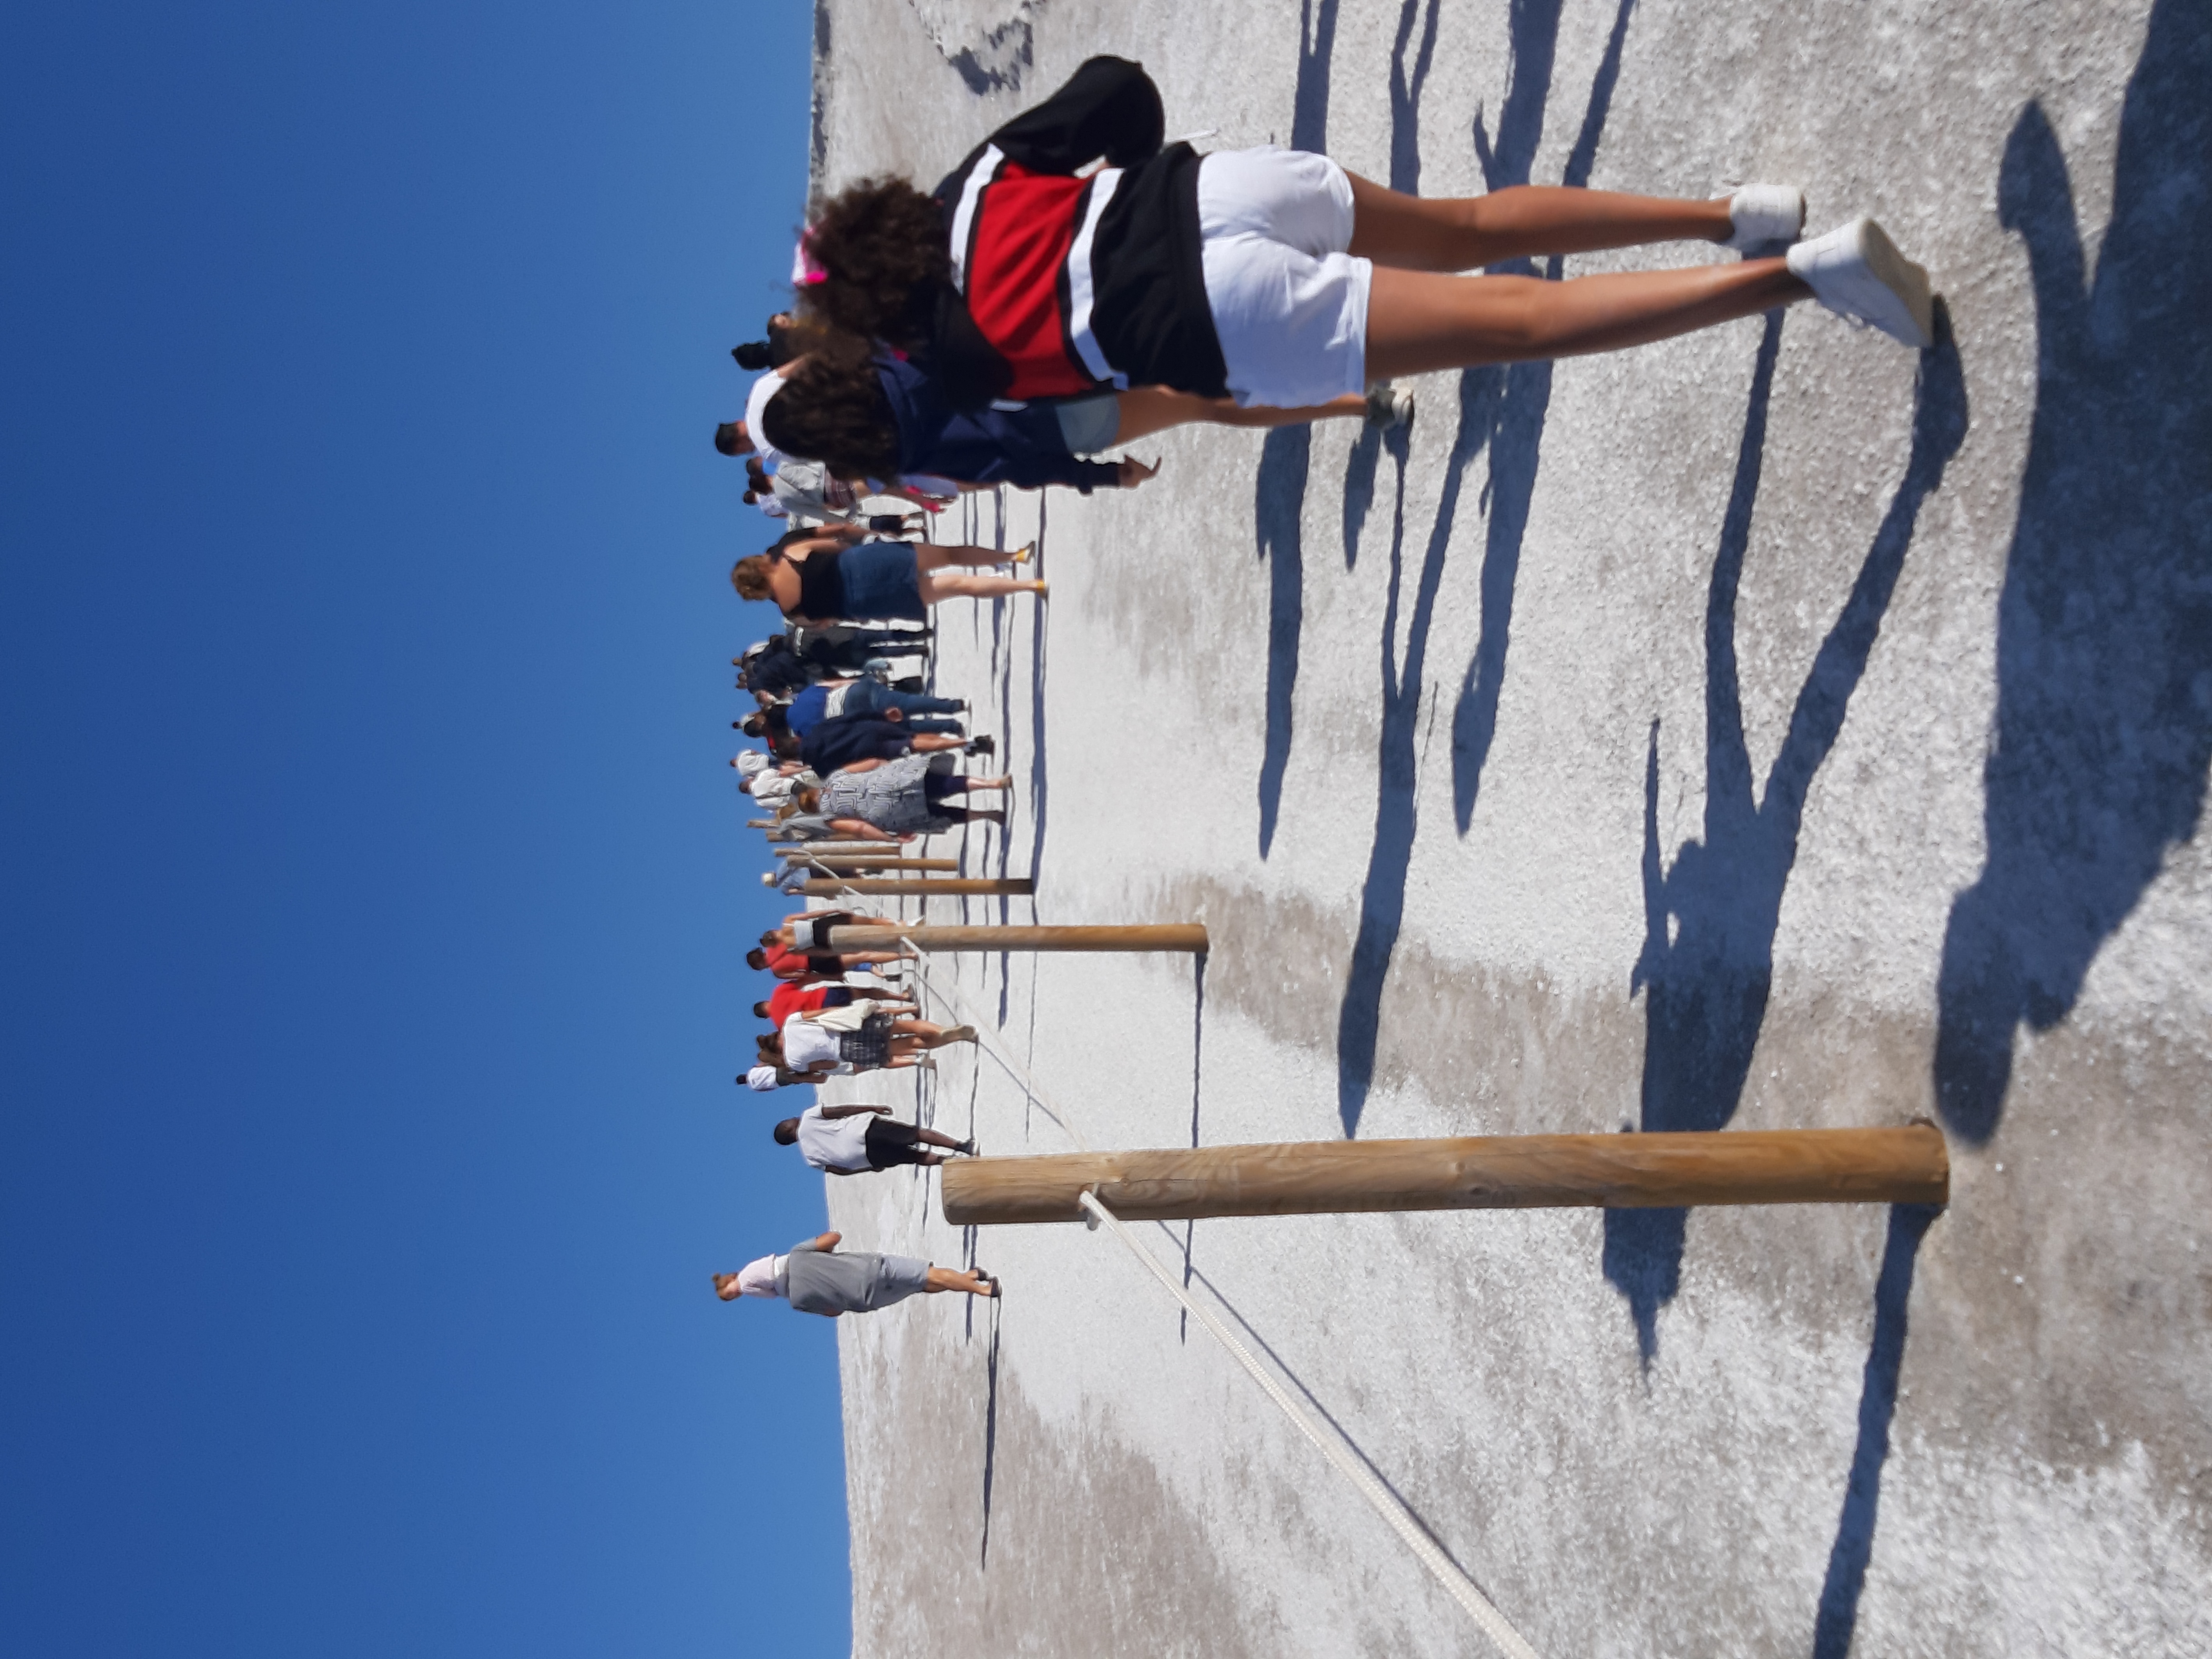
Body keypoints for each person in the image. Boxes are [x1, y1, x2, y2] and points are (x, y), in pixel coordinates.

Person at [768, 56, 1932, 478]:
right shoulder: (970, 181)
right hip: (1208, 192)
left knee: (1520, 328)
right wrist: (1118, 186)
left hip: (1218, 319)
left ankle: (1801, 278)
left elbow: (1088, 396)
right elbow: (1119, 87)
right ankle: (1732, 213)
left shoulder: (956, 365)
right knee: (1472, 225)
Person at [731, 523, 1042, 623]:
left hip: (865, 602)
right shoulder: (788, 553)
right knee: (949, 555)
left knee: (956, 586)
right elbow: (835, 543)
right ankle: (1013, 556)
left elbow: (827, 624)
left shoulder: (791, 612)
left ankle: (1029, 586)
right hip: (863, 565)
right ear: (758, 566)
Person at [714, 1232, 997, 1316]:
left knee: (921, 1285)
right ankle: (981, 1289)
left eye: (732, 1292)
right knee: (927, 1274)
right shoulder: (798, 1254)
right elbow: (834, 1237)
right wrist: (826, 1259)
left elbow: (833, 1312)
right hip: (870, 1267)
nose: (737, 1292)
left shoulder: (796, 1301)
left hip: (865, 1299)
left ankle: (970, 1277)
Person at [796, 755, 1011, 840]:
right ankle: (992, 784)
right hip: (890, 782)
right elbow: (872, 764)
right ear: (813, 791)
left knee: (940, 814)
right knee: (945, 785)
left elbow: (859, 828)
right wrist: (894, 767)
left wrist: (891, 839)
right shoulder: (835, 777)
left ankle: (988, 815)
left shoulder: (829, 816)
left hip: (887, 812)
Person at [774, 1102, 977, 1173]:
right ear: (789, 1128)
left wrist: (869, 1167)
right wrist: (872, 1108)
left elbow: (840, 1171)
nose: (793, 1119)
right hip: (863, 1131)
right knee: (916, 1134)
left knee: (913, 1157)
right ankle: (962, 1147)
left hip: (864, 1158)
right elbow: (841, 1110)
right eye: (789, 1121)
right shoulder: (807, 1118)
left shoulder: (810, 1159)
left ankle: (949, 1162)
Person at [778, 675, 967, 738]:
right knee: (906, 702)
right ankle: (954, 705)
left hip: (853, 716)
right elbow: (833, 684)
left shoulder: (801, 731)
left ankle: (951, 727)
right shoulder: (803, 696)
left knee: (903, 727)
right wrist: (857, 682)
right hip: (853, 692)